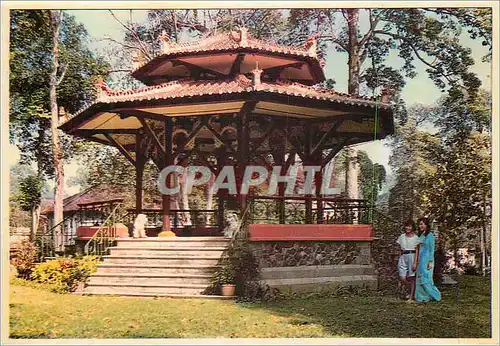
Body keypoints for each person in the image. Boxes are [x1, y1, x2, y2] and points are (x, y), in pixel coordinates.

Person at [413, 217, 441, 302]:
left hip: (427, 259)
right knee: (420, 277)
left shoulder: (430, 235)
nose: (420, 226)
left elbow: (431, 249)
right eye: (419, 224)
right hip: (420, 260)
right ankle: (422, 297)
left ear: (426, 225)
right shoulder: (421, 235)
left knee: (426, 278)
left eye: (422, 224)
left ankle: (435, 295)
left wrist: (430, 261)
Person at [396, 220, 419, 300]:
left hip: (412, 256)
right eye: (406, 226)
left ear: (412, 227)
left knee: (412, 277)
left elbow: (417, 251)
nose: (407, 228)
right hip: (403, 256)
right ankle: (411, 288)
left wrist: (415, 263)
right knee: (402, 277)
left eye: (409, 226)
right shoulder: (402, 236)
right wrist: (400, 257)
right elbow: (399, 248)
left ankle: (411, 296)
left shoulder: (416, 238)